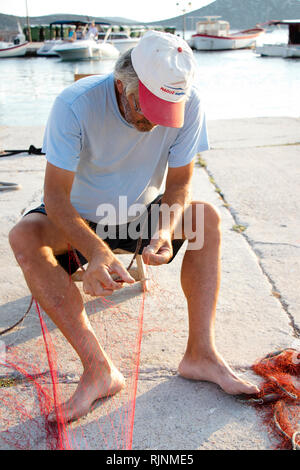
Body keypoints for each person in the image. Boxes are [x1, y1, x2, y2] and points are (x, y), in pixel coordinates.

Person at [9, 31, 259, 423]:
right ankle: (98, 369)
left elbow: (178, 185)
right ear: (122, 83)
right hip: (80, 215)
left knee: (205, 219)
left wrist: (164, 229)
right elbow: (55, 197)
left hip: (140, 210)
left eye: (167, 111)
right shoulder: (75, 105)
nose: (156, 120)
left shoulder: (189, 103)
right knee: (23, 236)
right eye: (149, 108)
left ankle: (201, 354)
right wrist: (95, 251)